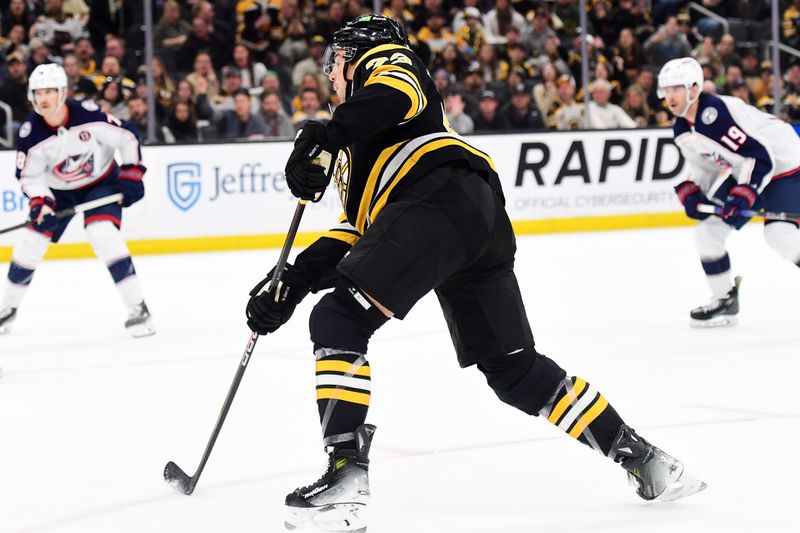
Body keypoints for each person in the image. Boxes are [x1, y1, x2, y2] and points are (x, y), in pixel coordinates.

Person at [244, 15, 706, 532]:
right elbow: (359, 229)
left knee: (338, 322)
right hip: (471, 222)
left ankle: (346, 476)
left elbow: (394, 94)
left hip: (436, 198)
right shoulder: (358, 146)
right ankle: (643, 458)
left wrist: (326, 133)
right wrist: (292, 280)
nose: (331, 73)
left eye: (336, 61)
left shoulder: (389, 64)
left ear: (356, 56)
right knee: (514, 371)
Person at [0, 64, 155, 338]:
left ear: (62, 92)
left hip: (100, 183)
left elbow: (127, 135)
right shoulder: (30, 134)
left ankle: (138, 308)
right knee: (29, 242)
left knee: (103, 234)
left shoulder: (89, 115)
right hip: (58, 192)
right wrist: (41, 202)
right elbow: (29, 177)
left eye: (49, 91)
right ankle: (7, 310)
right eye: (38, 92)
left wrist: (131, 173)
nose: (43, 98)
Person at [660, 57, 800, 327]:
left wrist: (743, 192)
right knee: (707, 232)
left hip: (788, 168)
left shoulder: (716, 113)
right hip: (751, 172)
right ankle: (725, 300)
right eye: (666, 90)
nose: (670, 96)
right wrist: (692, 188)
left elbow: (760, 157)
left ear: (693, 88)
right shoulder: (682, 127)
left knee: (778, 234)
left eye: (676, 88)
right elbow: (705, 165)